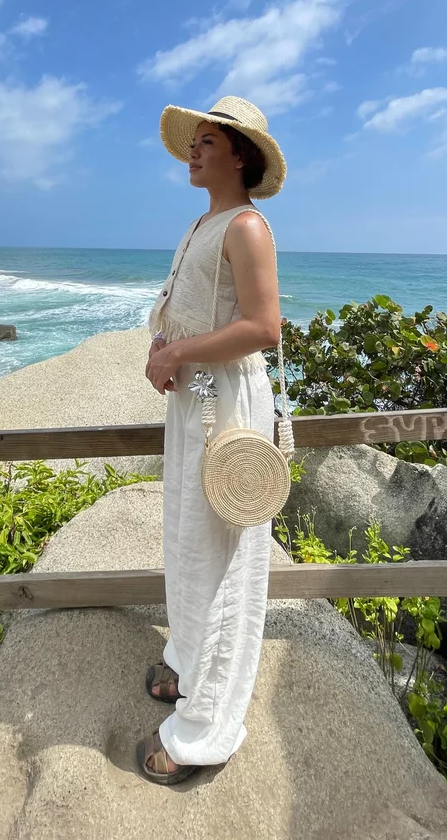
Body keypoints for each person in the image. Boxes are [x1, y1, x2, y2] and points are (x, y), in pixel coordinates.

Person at [136, 94, 286, 786]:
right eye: (193, 142)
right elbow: (192, 308)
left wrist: (179, 352)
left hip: (226, 403)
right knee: (190, 543)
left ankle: (204, 732)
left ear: (239, 155)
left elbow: (264, 327)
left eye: (206, 143)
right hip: (196, 396)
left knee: (222, 560)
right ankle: (189, 667)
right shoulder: (206, 220)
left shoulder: (247, 226)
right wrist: (165, 348)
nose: (192, 153)